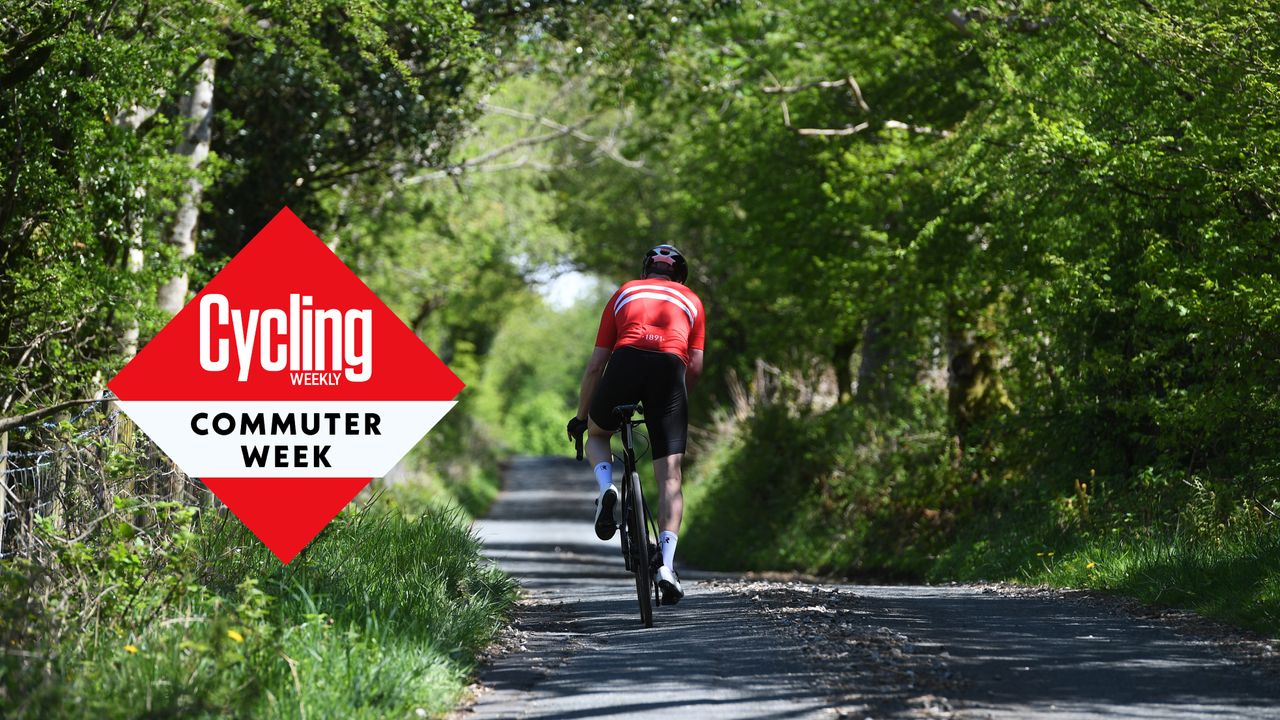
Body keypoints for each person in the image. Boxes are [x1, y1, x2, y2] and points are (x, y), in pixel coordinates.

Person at [566, 245, 705, 604]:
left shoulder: (625, 291)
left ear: (647, 271)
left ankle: (605, 489)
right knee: (671, 477)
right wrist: (673, 405)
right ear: (679, 275)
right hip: (670, 372)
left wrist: (581, 418)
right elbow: (695, 367)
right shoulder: (692, 300)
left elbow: (597, 364)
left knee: (599, 434)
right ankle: (667, 567)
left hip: (625, 362)